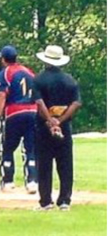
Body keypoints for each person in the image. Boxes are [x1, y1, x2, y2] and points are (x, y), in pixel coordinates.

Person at [32, 45, 82, 211]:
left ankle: (46, 201)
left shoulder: (39, 79)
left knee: (44, 164)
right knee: (65, 164)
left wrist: (50, 121)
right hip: (65, 126)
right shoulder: (70, 80)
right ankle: (65, 200)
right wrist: (60, 121)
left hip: (43, 126)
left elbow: (40, 103)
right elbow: (76, 103)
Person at [0, 45, 38, 194]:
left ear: (3, 59)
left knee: (7, 148)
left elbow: (1, 95)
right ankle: (32, 182)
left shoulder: (5, 73)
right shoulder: (29, 72)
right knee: (30, 148)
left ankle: (8, 182)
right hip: (33, 111)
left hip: (14, 113)